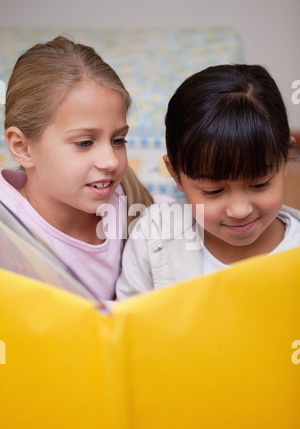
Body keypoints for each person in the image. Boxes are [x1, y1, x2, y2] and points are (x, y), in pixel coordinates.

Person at [116, 64, 300, 299]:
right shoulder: (153, 238)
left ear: (285, 160)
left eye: (259, 184)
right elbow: (127, 324)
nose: (239, 210)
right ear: (176, 175)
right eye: (213, 191)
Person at [1, 35, 153, 302]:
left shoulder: (130, 204)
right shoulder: (8, 235)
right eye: (84, 142)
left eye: (118, 140)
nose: (111, 161)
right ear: (23, 148)